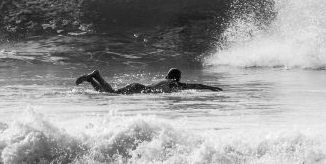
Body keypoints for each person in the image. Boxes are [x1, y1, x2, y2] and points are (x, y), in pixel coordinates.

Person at [74, 68, 222, 94]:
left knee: (107, 94)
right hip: (138, 89)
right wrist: (211, 88)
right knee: (112, 94)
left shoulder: (165, 81)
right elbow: (196, 85)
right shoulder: (173, 84)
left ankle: (90, 80)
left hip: (138, 87)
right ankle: (97, 75)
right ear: (177, 78)